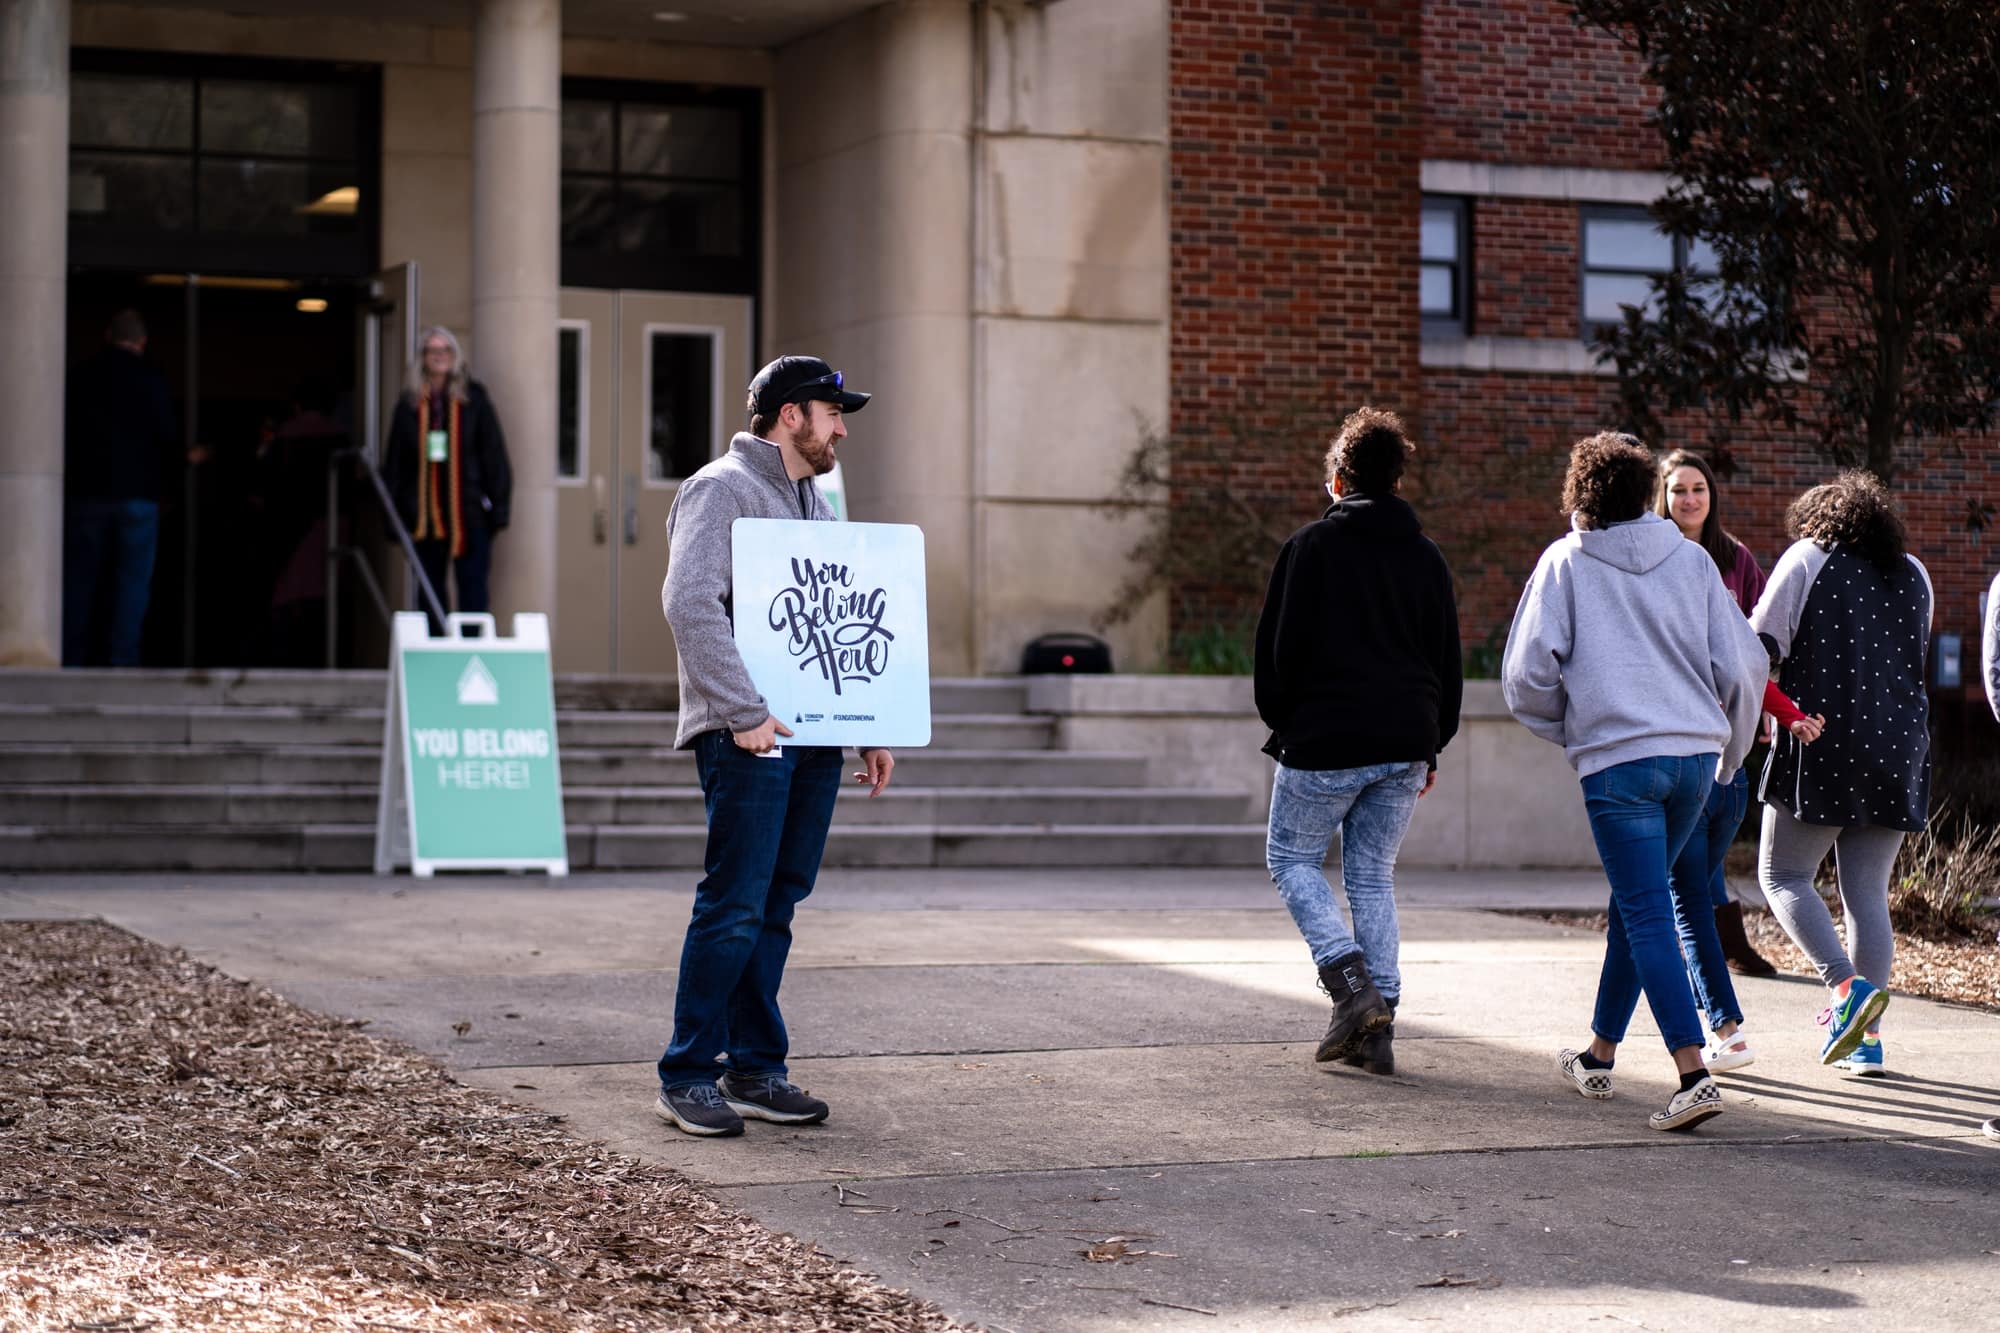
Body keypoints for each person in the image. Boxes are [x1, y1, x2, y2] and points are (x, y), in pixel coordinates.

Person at [653, 355, 895, 1138]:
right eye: (831, 411)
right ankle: (688, 1073)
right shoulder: (720, 487)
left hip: (815, 738)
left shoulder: (815, 506)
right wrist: (743, 710)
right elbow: (690, 603)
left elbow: (831, 621)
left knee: (778, 903)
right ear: (790, 414)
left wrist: (867, 724)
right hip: (746, 734)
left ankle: (755, 1068)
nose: (841, 427)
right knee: (734, 904)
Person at [1503, 433, 1765, 1132]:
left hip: (1619, 764)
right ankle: (1598, 1054)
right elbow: (1745, 666)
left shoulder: (1565, 562)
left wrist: (1580, 727)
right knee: (1636, 903)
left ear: (1582, 491)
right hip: (1692, 764)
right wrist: (1729, 750)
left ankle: (1693, 1072)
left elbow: (1524, 678)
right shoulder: (1692, 559)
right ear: (1647, 488)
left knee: (1648, 908)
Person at [1255, 408, 1462, 1077]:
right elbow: (1445, 662)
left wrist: (1286, 727)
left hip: (1324, 740)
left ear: (1339, 480)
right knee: (1370, 875)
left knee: (1290, 858)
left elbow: (1277, 657)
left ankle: (1352, 988)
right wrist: (1432, 744)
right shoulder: (1427, 559)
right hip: (1405, 743)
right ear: (1398, 482)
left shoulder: (1309, 547)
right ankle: (1380, 1022)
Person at [1750, 472, 1932, 1073]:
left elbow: (1761, 645)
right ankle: (1868, 1043)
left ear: (1817, 518)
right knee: (1866, 896)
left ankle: (1844, 989)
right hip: (1899, 747)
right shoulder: (1916, 573)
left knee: (1783, 876)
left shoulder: (1808, 557)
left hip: (1823, 738)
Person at [1654, 450, 1826, 1077]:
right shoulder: (1659, 562)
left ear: (1712, 496)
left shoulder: (1730, 563)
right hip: (1703, 751)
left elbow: (1752, 653)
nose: (1691, 500)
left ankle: (1716, 1030)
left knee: (1679, 897)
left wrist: (1776, 710)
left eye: (1699, 489)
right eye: (1679, 491)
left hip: (1715, 751)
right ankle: (1612, 1044)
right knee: (1686, 891)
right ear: (1663, 498)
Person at [62, 310, 180, 667]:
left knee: (80, 582)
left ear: (107, 335)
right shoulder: (153, 380)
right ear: (142, 342)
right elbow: (167, 438)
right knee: (131, 586)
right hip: (138, 496)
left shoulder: (81, 376)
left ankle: (70, 659)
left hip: (87, 491)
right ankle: (121, 663)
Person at [380, 327, 511, 627]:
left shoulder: (473, 399)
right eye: (432, 351)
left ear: (454, 357)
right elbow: (396, 463)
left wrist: (499, 508)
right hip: (424, 514)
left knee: (473, 588)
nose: (439, 356)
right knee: (428, 591)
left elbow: (494, 455)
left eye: (445, 351)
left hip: (469, 513)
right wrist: (393, 516)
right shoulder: (409, 405)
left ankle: (469, 655)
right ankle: (437, 656)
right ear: (423, 359)